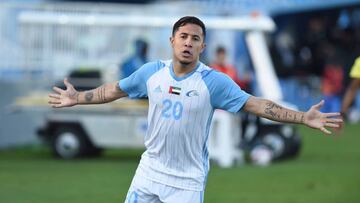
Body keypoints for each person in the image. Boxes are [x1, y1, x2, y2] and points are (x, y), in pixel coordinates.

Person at [48, 16, 343, 203]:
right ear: (172, 41)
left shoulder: (214, 82)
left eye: (196, 38)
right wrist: (79, 98)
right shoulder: (151, 73)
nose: (188, 42)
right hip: (149, 171)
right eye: (184, 36)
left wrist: (303, 117)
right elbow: (113, 90)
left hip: (186, 181)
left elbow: (256, 104)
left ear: (202, 47)